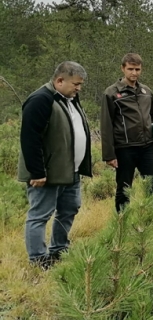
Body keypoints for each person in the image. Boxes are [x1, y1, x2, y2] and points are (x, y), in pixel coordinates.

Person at [18, 61, 92, 269]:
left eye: (80, 84)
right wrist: (37, 171)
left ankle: (59, 250)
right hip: (47, 174)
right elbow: (29, 138)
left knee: (69, 209)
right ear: (60, 80)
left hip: (70, 172)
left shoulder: (70, 99)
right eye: (76, 84)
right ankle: (38, 259)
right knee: (39, 215)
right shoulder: (40, 100)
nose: (79, 88)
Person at [101, 53, 153, 212]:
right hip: (124, 148)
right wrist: (109, 154)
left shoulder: (146, 91)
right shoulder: (112, 93)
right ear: (123, 69)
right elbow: (106, 124)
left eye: (137, 69)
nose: (134, 73)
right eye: (130, 69)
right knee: (124, 187)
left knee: (152, 184)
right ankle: (122, 221)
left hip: (147, 147)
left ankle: (152, 218)